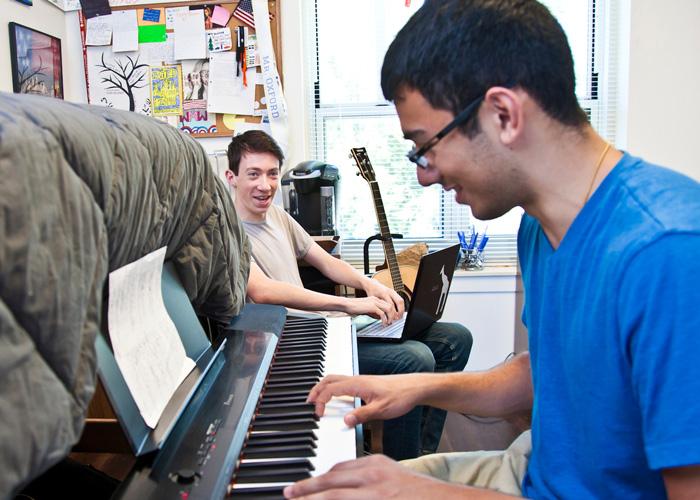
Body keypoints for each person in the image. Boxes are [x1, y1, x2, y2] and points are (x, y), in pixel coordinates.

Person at [281, 0, 700, 499]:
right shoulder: (539, 227)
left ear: (503, 114)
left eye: (425, 146)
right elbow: (550, 372)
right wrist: (417, 386)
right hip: (531, 469)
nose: (422, 174)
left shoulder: (668, 253)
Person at [225, 130, 473, 461]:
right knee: (416, 358)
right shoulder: (226, 231)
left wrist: (372, 285)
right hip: (295, 343)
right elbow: (262, 290)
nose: (265, 185)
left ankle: (421, 455)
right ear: (232, 177)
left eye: (272, 174)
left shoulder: (278, 215)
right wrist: (350, 303)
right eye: (253, 174)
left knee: (456, 339)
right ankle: (399, 469)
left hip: (330, 326)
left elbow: (325, 260)